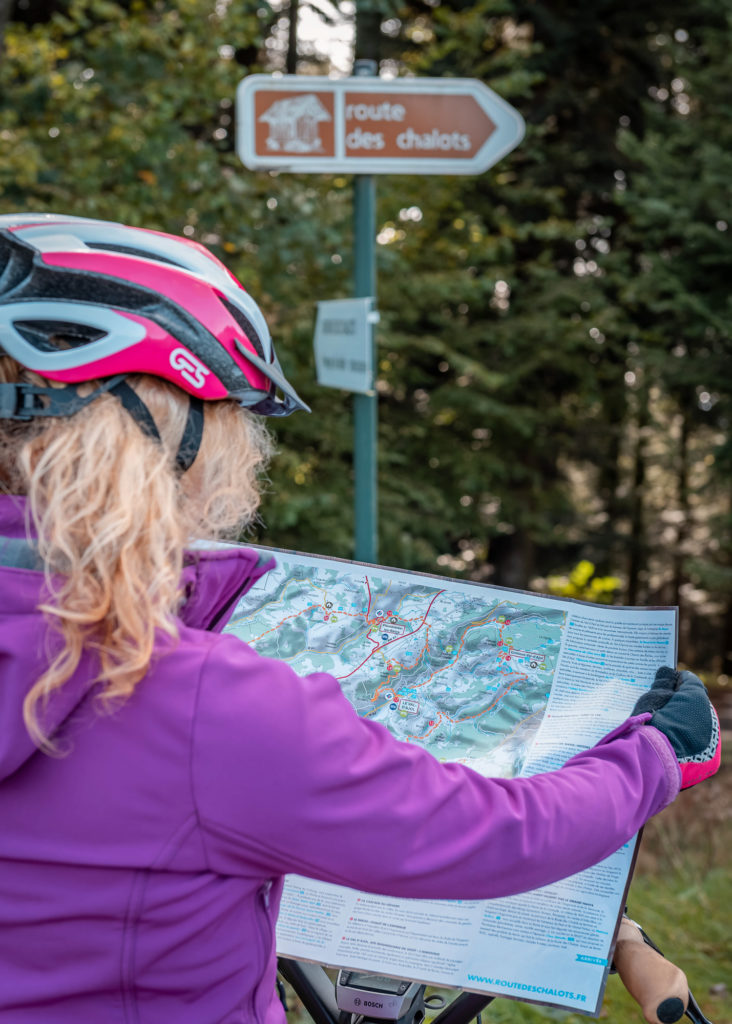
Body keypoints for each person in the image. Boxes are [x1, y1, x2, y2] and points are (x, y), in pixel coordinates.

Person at [0, 213, 720, 1024]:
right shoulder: (199, 702)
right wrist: (657, 753)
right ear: (162, 439)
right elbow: (497, 834)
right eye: (237, 417)